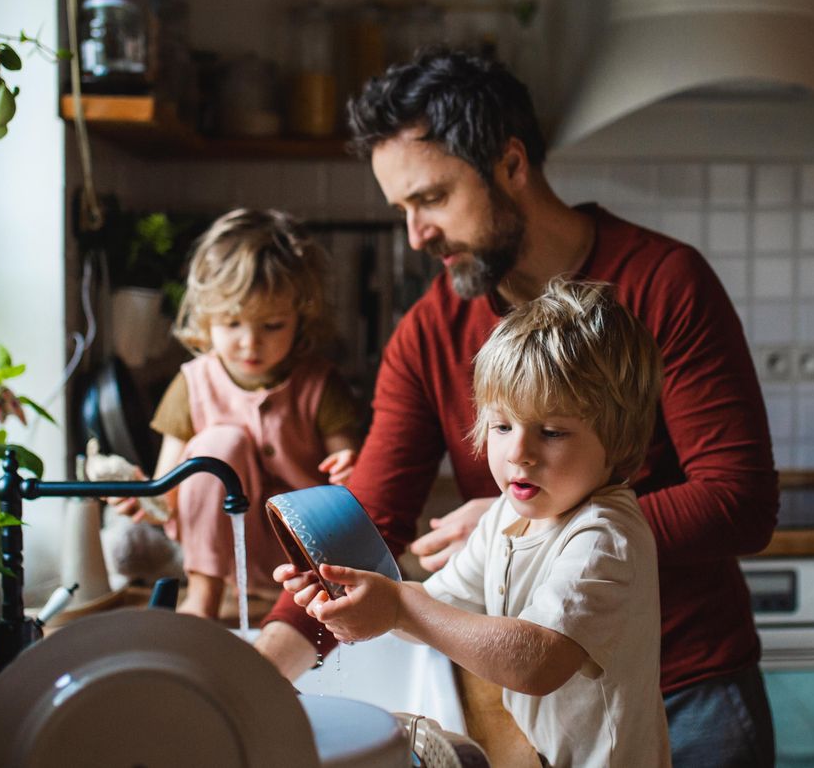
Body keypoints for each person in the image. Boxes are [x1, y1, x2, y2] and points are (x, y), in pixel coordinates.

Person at [256, 49, 779, 767]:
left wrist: (537, 522)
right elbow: (369, 521)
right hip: (543, 720)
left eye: (432, 198)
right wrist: (254, 678)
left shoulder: (664, 283)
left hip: (687, 690)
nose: (416, 235)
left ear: (510, 164)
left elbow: (739, 499)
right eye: (402, 209)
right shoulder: (430, 331)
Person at [285, 278, 670, 768]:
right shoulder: (506, 517)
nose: (518, 453)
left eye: (551, 432)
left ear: (617, 442)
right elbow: (436, 613)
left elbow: (536, 663)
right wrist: (358, 596)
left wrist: (402, 607)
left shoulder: (603, 537)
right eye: (502, 425)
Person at [115, 208, 362, 618]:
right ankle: (203, 598)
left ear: (301, 319)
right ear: (206, 318)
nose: (250, 343)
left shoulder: (319, 384)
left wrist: (350, 468)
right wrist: (144, 495)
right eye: (232, 324)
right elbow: (168, 488)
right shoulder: (192, 383)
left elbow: (352, 470)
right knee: (218, 444)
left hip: (306, 553)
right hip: (223, 556)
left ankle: (298, 599)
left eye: (272, 326)